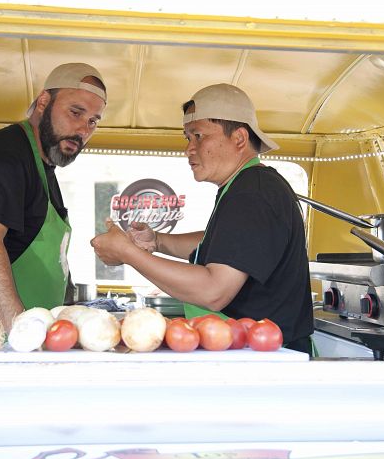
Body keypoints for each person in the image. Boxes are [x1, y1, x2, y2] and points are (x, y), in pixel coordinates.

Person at [91, 83, 313, 353]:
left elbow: (214, 291)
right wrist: (157, 241)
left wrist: (128, 254)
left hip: (266, 359)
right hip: (249, 352)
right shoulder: (248, 185)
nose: (189, 149)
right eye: (188, 138)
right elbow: (225, 245)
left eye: (198, 135)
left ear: (239, 139)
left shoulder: (252, 193)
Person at [0, 63, 107, 330]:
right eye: (75, 112)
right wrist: (19, 333)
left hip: (32, 332)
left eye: (92, 121)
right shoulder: (4, 156)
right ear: (44, 102)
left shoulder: (42, 164)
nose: (83, 130)